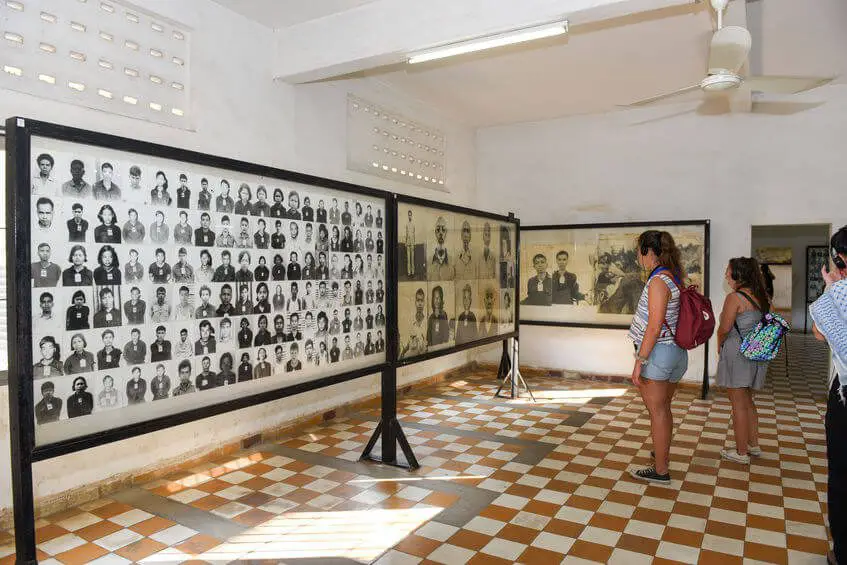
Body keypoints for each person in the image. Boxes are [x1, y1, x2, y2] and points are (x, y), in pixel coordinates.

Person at [627, 230, 688, 485]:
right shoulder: (671, 277)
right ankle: (661, 454)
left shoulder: (658, 281)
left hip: (659, 354)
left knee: (658, 413)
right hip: (674, 353)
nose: (638, 256)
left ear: (646, 251)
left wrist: (639, 362)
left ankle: (660, 471)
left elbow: (653, 327)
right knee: (663, 410)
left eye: (639, 250)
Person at [809, 225, 847, 565]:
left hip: (846, 397)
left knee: (841, 473)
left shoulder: (840, 292)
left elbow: (820, 333)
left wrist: (832, 286)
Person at [717, 257, 771, 464]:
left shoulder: (735, 298)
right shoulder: (762, 297)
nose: (725, 275)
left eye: (728, 271)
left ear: (738, 274)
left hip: (737, 354)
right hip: (756, 353)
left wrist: (720, 345)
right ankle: (753, 444)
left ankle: (740, 452)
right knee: (748, 401)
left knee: (738, 404)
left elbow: (724, 328)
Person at [430, 216, 454, 280]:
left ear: (446, 232)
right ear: (435, 232)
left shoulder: (452, 261)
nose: (441, 233)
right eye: (438, 230)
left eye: (443, 230)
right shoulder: (429, 262)